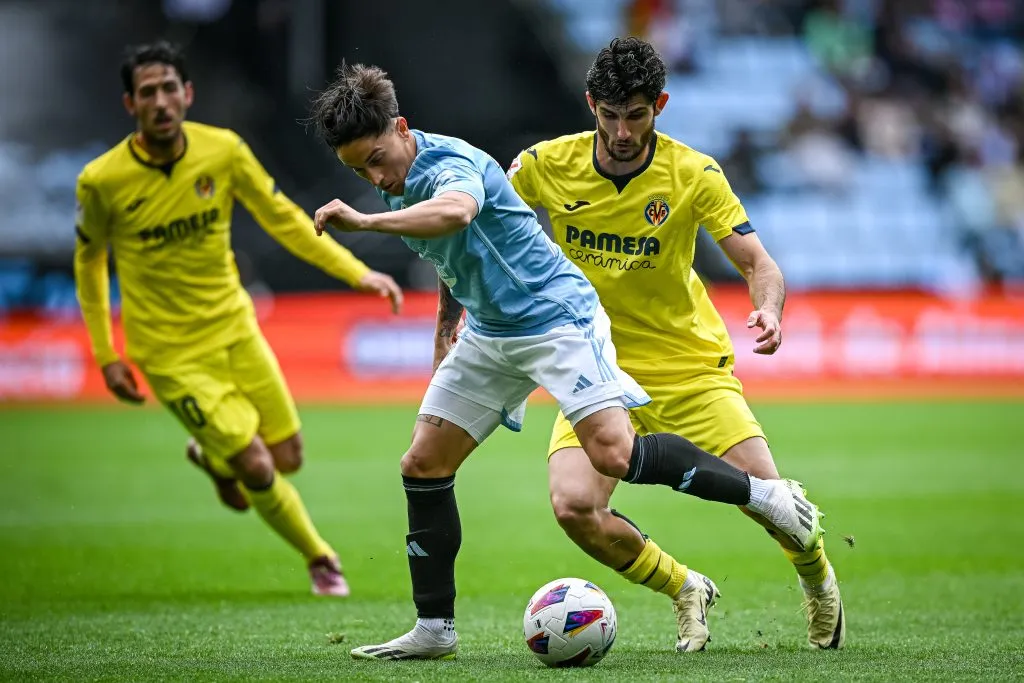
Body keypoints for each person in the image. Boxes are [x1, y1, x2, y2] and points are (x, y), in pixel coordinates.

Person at [306, 62, 823, 660]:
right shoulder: (408, 177)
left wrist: (365, 221)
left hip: (557, 320)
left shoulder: (453, 167)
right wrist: (448, 328)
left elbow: (456, 215)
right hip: (494, 332)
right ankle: (435, 628)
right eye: (359, 171)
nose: (376, 177)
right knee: (422, 463)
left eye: (376, 159)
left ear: (400, 127)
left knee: (614, 453)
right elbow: (455, 257)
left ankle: (764, 496)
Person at [505, 36, 845, 650]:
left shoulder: (693, 173)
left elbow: (760, 265)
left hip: (689, 366)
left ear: (659, 105)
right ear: (590, 106)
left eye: (636, 115)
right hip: (595, 368)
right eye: (610, 115)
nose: (623, 130)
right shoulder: (542, 166)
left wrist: (767, 311)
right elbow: (484, 226)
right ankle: (684, 586)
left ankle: (817, 578)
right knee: (573, 505)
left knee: (770, 502)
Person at [73, 42, 403, 597]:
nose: (161, 101)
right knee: (254, 463)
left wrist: (356, 273)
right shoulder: (101, 181)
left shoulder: (222, 152)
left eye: (169, 88)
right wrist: (107, 354)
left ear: (187, 94)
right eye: (147, 92)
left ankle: (212, 456)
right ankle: (321, 557)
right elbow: (88, 260)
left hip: (233, 326)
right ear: (131, 104)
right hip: (168, 353)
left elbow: (282, 219)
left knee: (287, 457)